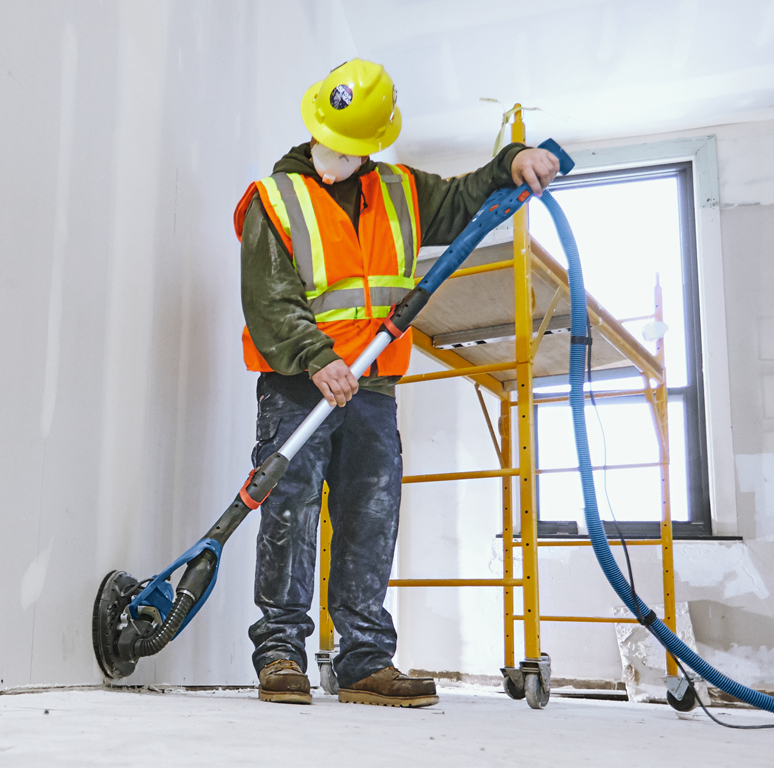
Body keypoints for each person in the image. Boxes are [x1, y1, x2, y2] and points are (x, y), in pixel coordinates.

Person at [235, 59, 562, 707]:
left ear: (372, 144)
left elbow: (469, 196)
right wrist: (315, 357)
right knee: (289, 515)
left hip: (372, 387)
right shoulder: (273, 198)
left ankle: (362, 660)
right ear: (312, 130)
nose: (337, 156)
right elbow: (268, 298)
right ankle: (279, 654)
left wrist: (517, 158)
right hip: (299, 381)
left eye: (352, 147)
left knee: (369, 515)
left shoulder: (401, 190)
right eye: (330, 141)